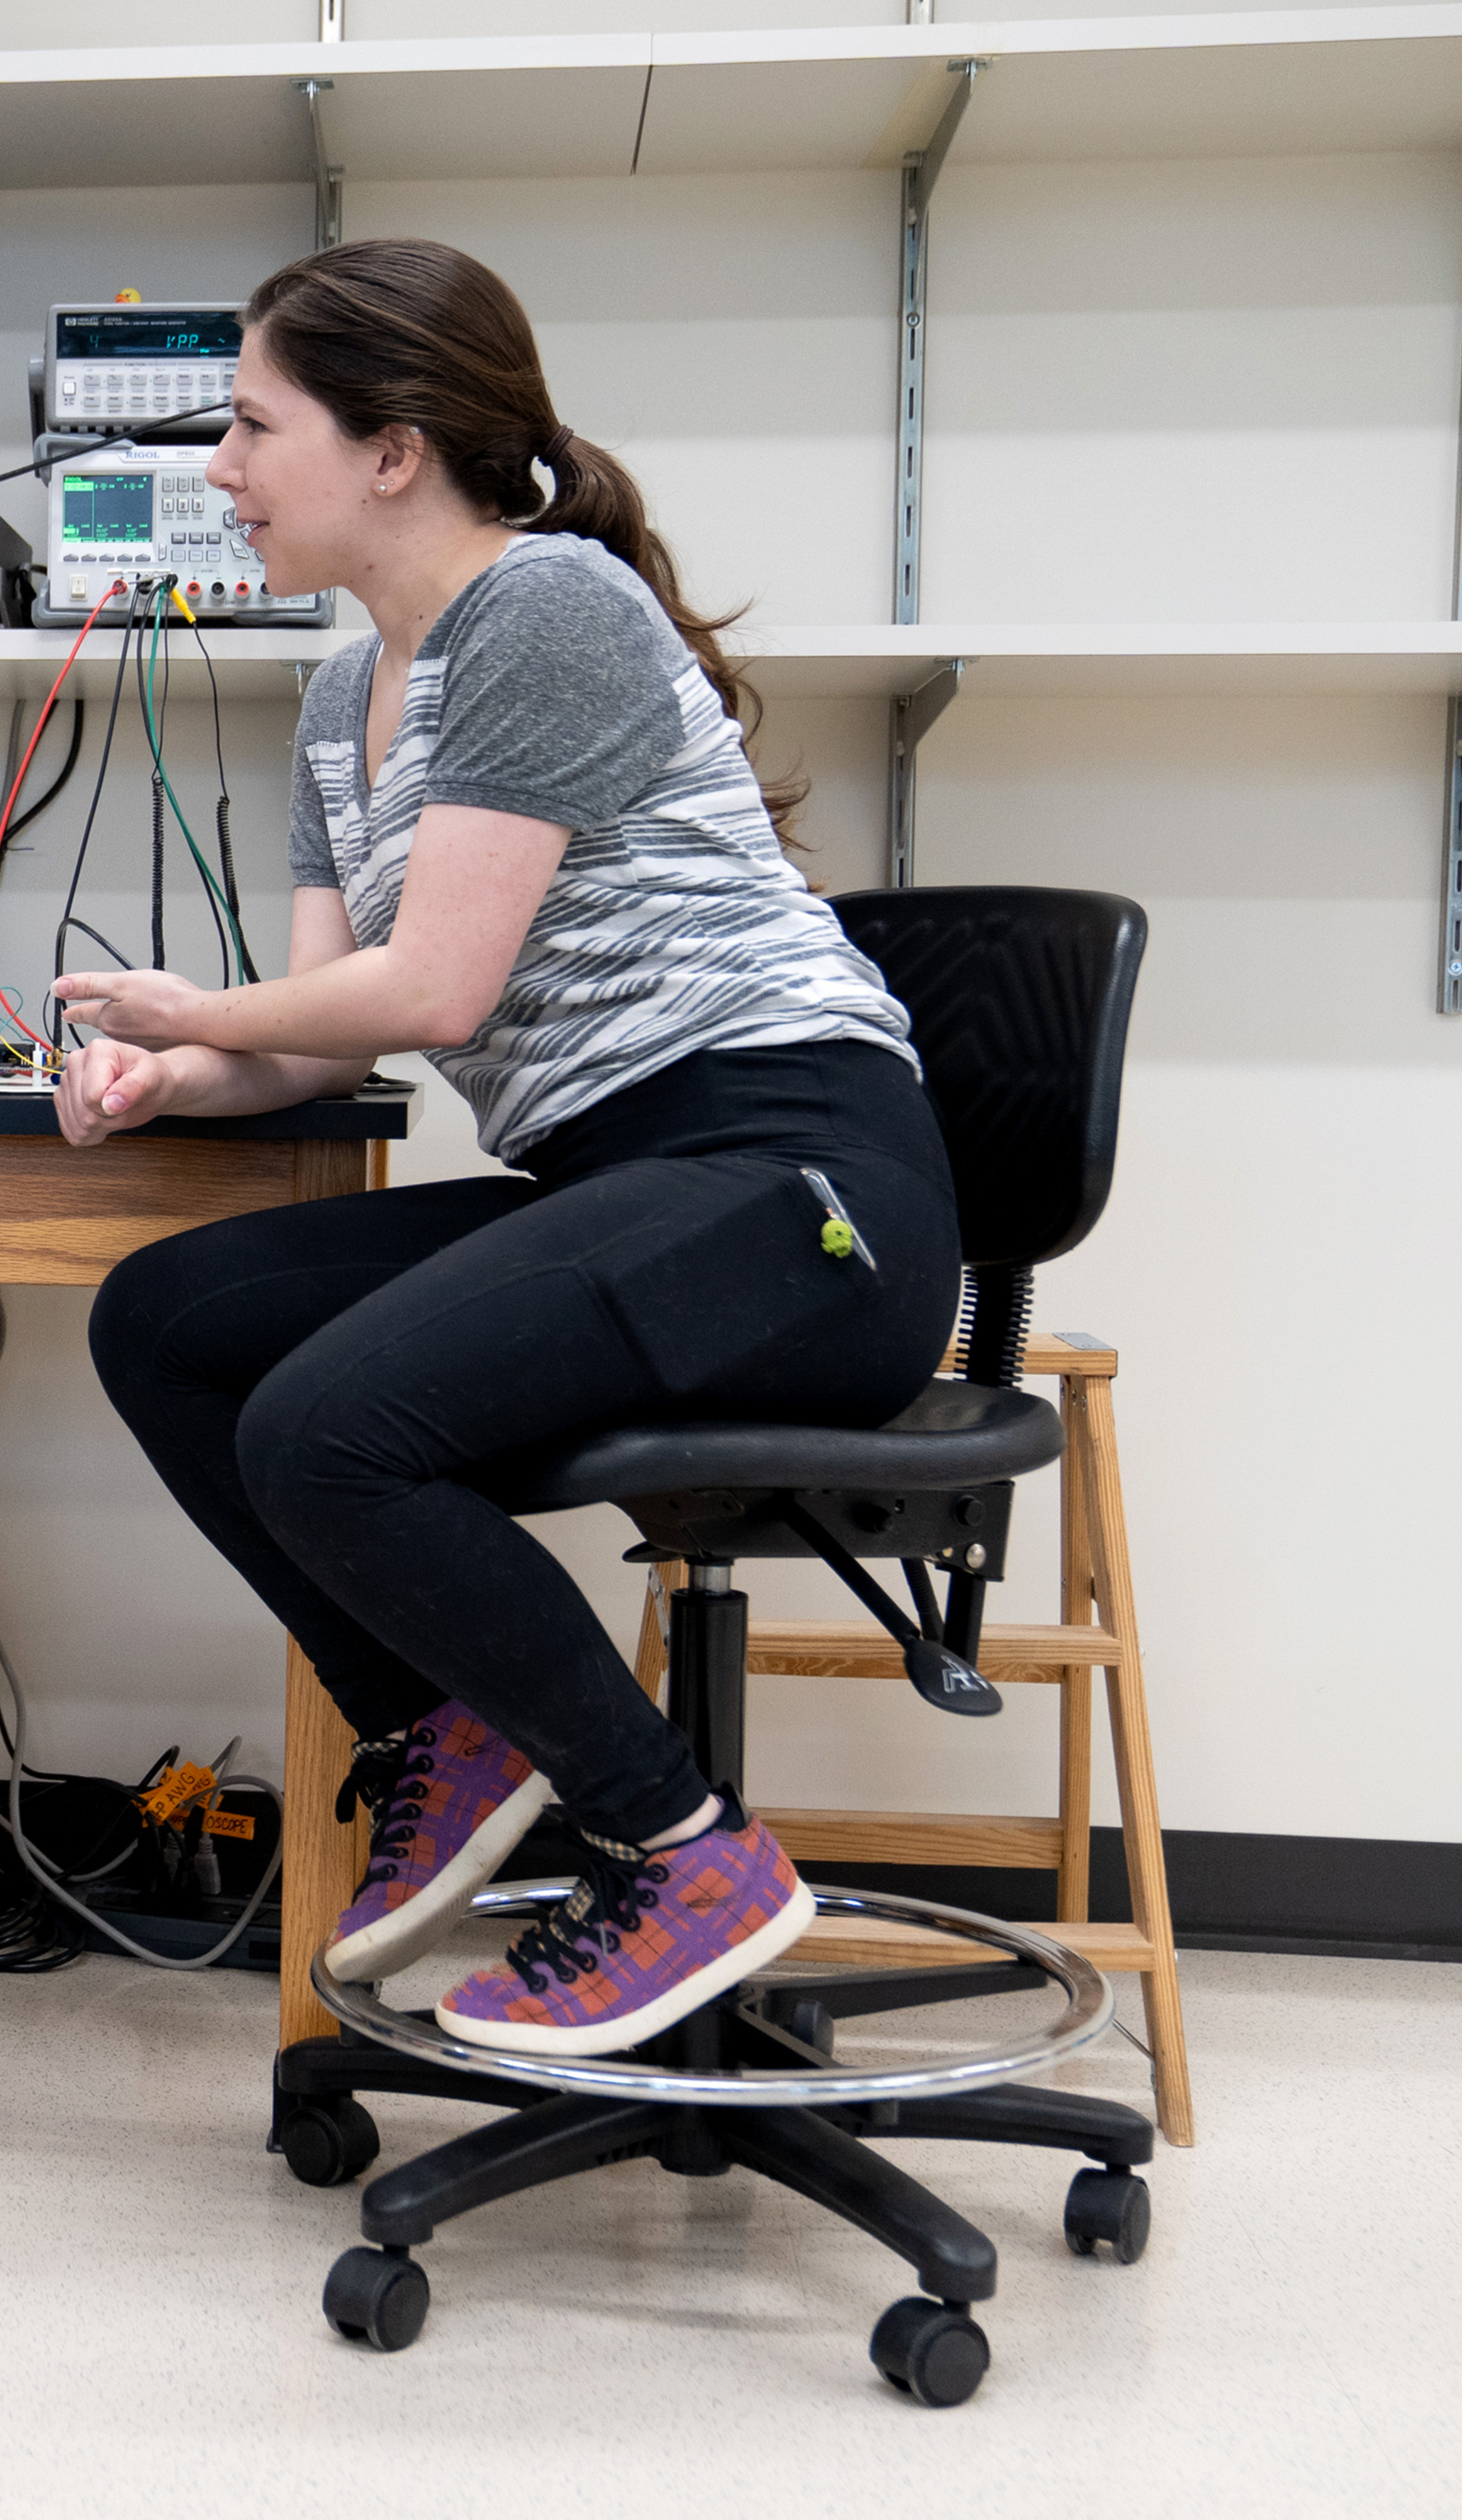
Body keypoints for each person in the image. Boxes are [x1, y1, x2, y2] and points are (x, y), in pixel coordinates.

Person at [52, 238, 959, 2057]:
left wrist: (195, 1006)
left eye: (253, 425)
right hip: (626, 1188)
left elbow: (439, 987)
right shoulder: (342, 696)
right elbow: (334, 1029)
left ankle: (682, 1848)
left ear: (392, 450)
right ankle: (442, 1729)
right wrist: (174, 1075)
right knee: (169, 1321)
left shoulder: (547, 607)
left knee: (325, 1429)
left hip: (798, 1195)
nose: (220, 469)